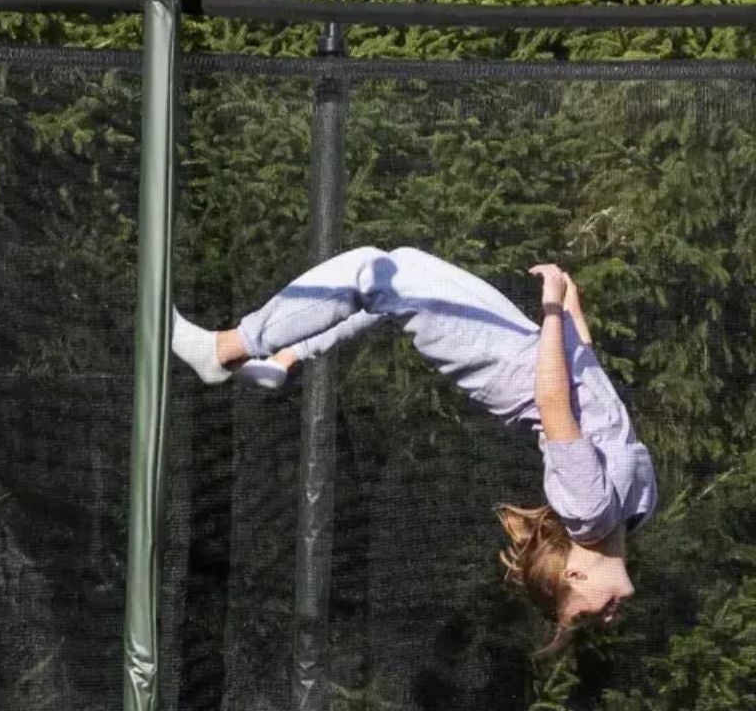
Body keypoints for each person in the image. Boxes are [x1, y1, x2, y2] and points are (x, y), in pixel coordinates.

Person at [172, 245, 655, 649]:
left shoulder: (589, 513)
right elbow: (594, 391)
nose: (607, 618)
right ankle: (284, 360)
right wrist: (569, 312)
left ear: (574, 577)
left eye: (586, 616)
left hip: (497, 360)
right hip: (521, 348)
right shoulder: (635, 509)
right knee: (391, 272)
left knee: (376, 272)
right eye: (590, 618)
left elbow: (553, 401)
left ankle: (226, 349)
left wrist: (551, 310)